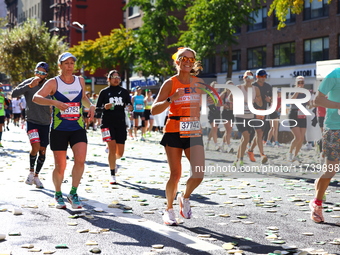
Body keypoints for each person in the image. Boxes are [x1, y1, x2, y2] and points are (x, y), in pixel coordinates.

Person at [33, 52, 95, 209]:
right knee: (61, 166)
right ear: (59, 65)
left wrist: (91, 105)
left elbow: (83, 99)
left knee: (80, 159)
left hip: (77, 127)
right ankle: (58, 193)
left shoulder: (80, 80)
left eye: (72, 63)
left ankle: (73, 193)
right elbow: (36, 97)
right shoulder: (54, 83)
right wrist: (55, 103)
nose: (69, 66)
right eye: (66, 63)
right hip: (59, 129)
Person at [151, 47, 205, 226]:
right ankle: (168, 209)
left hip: (193, 129)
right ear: (177, 61)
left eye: (191, 59)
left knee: (199, 172)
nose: (187, 62)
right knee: (176, 174)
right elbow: (154, 109)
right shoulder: (170, 83)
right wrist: (171, 98)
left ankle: (185, 197)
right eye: (184, 59)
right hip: (174, 129)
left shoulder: (198, 83)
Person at [12, 62, 51, 188]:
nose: (39, 75)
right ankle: (30, 172)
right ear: (34, 72)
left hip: (45, 122)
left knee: (43, 150)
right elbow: (13, 94)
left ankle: (36, 176)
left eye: (42, 73)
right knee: (35, 146)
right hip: (32, 120)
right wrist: (29, 86)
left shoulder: (49, 84)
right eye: (37, 72)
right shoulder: (29, 82)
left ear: (46, 74)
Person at [310, 67, 340, 223]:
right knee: (330, 171)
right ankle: (317, 204)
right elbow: (318, 100)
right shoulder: (335, 74)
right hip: (335, 128)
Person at [95, 70, 132, 185]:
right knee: (112, 149)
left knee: (120, 153)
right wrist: (104, 107)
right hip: (107, 124)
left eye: (118, 77)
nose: (116, 79)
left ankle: (113, 163)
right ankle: (112, 174)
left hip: (120, 124)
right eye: (113, 77)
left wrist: (130, 107)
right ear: (109, 79)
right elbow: (97, 109)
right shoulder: (104, 92)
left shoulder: (124, 92)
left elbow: (129, 105)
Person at [230, 71, 262, 167]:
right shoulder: (239, 88)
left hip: (249, 116)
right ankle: (241, 159)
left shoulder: (256, 89)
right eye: (246, 77)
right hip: (239, 116)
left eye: (250, 77)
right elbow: (230, 98)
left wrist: (257, 101)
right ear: (244, 78)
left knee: (244, 139)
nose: (248, 79)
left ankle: (236, 159)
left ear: (252, 79)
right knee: (246, 136)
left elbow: (260, 104)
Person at [246, 69, 271, 164]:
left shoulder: (268, 86)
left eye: (265, 76)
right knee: (259, 132)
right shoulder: (253, 86)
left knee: (259, 134)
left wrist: (270, 100)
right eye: (261, 76)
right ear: (257, 77)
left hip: (264, 112)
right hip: (253, 112)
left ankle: (250, 150)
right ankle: (262, 155)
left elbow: (272, 98)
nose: (263, 78)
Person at [287, 76, 308, 162]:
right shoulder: (293, 90)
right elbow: (290, 101)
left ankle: (295, 155)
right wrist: (297, 92)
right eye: (299, 82)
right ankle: (290, 153)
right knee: (297, 137)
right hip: (293, 114)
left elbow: (308, 104)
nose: (300, 84)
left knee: (302, 138)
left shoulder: (306, 92)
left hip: (302, 115)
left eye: (302, 82)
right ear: (296, 83)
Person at [220, 80, 235, 153]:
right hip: (225, 113)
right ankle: (229, 146)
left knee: (228, 131)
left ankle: (222, 144)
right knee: (228, 130)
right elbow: (217, 103)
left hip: (232, 113)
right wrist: (223, 105)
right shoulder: (224, 94)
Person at [206, 81, 221, 151]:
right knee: (214, 129)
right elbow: (207, 104)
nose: (217, 88)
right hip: (212, 113)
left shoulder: (220, 95)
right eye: (215, 86)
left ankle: (208, 141)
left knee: (213, 129)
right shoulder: (209, 94)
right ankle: (216, 145)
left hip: (218, 113)